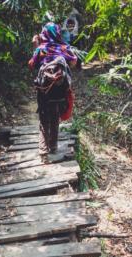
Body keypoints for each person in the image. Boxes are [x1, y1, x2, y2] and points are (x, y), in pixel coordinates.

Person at [28, 23, 77, 164]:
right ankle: (54, 147)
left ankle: (43, 152)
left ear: (44, 33)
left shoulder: (41, 49)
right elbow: (74, 62)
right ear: (57, 33)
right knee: (55, 118)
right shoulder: (63, 47)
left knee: (44, 121)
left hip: (44, 91)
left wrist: (35, 47)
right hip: (60, 90)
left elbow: (32, 65)